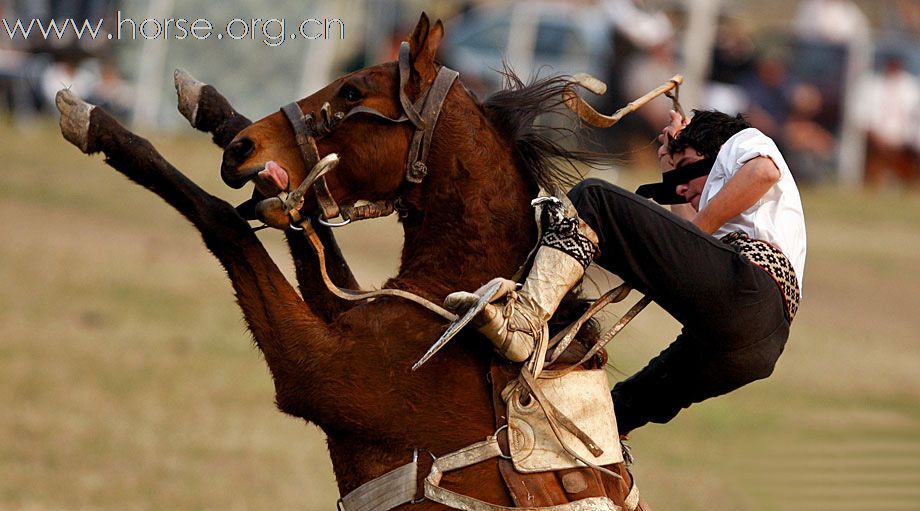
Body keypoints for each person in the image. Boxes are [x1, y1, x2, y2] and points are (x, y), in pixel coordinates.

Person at [446, 109, 806, 435]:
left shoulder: (740, 142)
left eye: (688, 168)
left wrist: (695, 226)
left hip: (749, 291)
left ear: (712, 151)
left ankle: (523, 321)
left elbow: (762, 173)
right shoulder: (719, 211)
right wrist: (670, 169)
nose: (681, 186)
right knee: (613, 415)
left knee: (594, 199)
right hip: (753, 346)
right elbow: (684, 242)